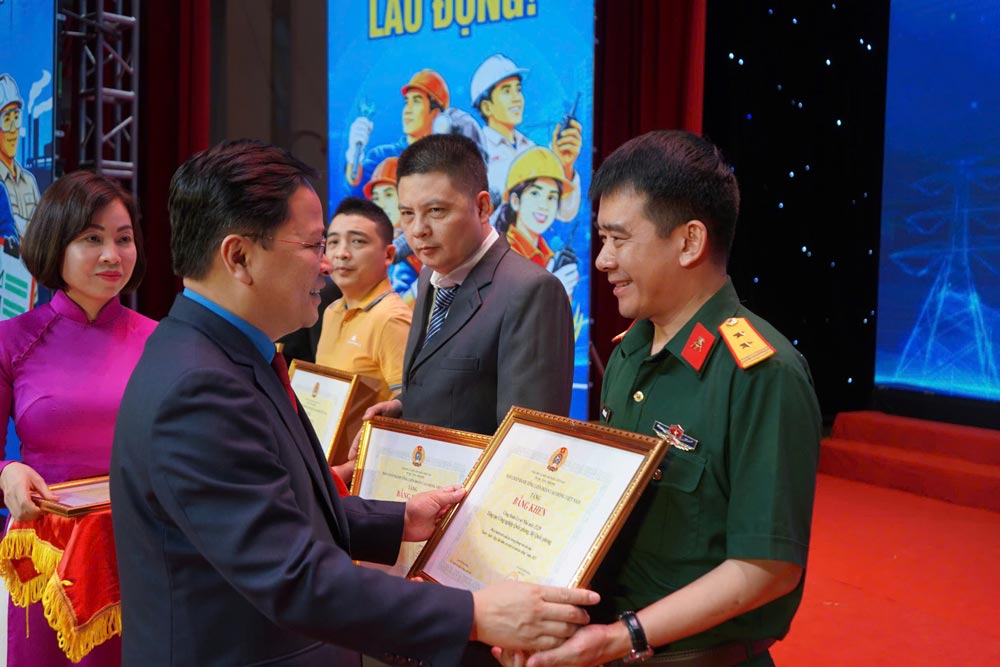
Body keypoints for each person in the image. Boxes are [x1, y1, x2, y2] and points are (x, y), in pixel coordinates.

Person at [110, 139, 597, 666]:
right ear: (239, 257)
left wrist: (395, 519)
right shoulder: (200, 386)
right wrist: (472, 613)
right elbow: (293, 575)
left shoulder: (220, 355)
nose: (328, 264)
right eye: (314, 246)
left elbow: (276, 507)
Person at [496, 131, 822, 667]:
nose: (602, 260)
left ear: (690, 242)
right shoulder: (629, 353)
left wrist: (620, 637)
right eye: (601, 239)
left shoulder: (762, 374)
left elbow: (767, 568)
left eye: (619, 240)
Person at [0, 170, 156, 667]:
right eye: (92, 238)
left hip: (147, 548)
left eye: (124, 238)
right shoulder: (12, 340)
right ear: (54, 244)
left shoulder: (163, 341)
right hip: (48, 557)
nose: (113, 255)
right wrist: (7, 470)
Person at [364, 133, 574, 436]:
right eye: (407, 214)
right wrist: (403, 407)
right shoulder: (430, 276)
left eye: (436, 211)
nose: (418, 230)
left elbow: (529, 441)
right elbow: (457, 392)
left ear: (483, 207)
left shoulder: (532, 291)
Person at [316, 196, 411, 404]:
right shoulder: (331, 311)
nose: (341, 253)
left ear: (389, 254)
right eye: (333, 242)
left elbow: (409, 407)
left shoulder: (391, 319)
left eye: (357, 241)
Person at [469, 54, 581, 220]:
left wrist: (565, 167)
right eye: (506, 91)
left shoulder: (532, 150)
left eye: (518, 90)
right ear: (487, 106)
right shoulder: (474, 152)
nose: (517, 99)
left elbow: (565, 214)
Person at [495, 146, 579, 299]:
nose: (543, 205)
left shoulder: (551, 257)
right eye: (535, 193)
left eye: (552, 197)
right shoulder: (501, 255)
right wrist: (553, 291)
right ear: (515, 201)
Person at [364, 156, 421, 304]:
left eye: (388, 195)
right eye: (376, 197)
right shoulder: (378, 243)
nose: (380, 204)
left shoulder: (421, 242)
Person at [0, 73, 41, 227]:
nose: (13, 130)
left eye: (16, 118)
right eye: (6, 120)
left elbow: (40, 233)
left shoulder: (29, 181)